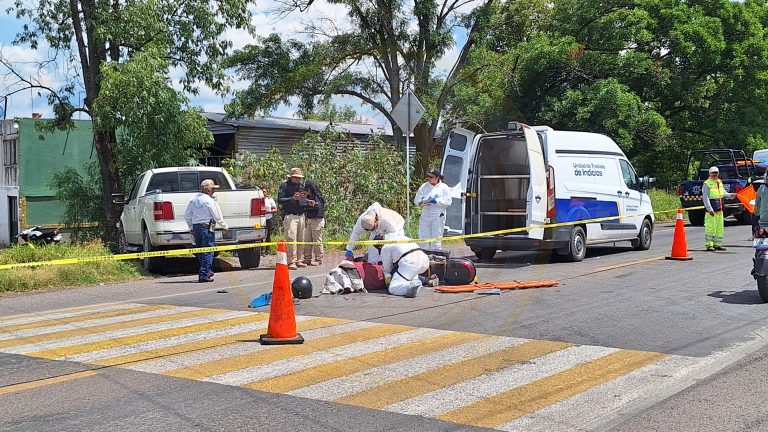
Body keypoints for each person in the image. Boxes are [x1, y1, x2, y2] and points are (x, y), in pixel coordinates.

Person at [184, 179, 228, 282]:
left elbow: (187, 215)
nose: (214, 191)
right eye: (213, 189)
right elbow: (217, 216)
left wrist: (191, 227)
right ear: (208, 190)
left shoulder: (193, 200)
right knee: (208, 251)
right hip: (206, 228)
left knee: (200, 251)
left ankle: (207, 271)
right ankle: (204, 274)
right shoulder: (209, 201)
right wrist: (225, 226)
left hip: (196, 227)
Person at [376, 233, 430, 298]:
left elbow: (387, 266)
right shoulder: (401, 236)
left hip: (411, 263)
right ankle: (416, 281)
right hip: (424, 261)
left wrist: (388, 275)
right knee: (409, 272)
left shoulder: (385, 246)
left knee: (393, 287)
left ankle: (410, 287)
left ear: (380, 246)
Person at [414, 169, 453, 250]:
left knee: (436, 240)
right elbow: (416, 200)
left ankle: (435, 256)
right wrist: (424, 201)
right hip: (425, 215)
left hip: (437, 216)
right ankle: (424, 255)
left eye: (431, 177)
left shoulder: (444, 187)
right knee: (423, 239)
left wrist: (437, 201)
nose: (429, 178)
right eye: (428, 176)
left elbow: (448, 202)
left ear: (437, 178)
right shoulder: (424, 186)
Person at [278, 167, 308, 270]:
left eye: (299, 178)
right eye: (296, 177)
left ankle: (298, 259)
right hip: (290, 215)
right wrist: (292, 198)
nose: (297, 179)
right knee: (291, 238)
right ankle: (291, 261)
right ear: (291, 177)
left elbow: (303, 200)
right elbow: (280, 200)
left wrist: (307, 202)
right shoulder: (284, 186)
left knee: (301, 238)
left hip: (301, 215)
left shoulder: (301, 186)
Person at [702, 166, 735, 251]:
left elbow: (723, 193)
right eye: (713, 173)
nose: (715, 174)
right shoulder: (706, 184)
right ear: (709, 173)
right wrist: (710, 209)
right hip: (711, 211)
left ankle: (717, 244)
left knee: (719, 228)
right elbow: (705, 198)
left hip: (719, 210)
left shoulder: (719, 182)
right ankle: (709, 245)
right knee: (710, 228)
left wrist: (730, 195)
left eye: (716, 173)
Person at [302, 181, 325, 266]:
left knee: (317, 240)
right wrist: (308, 205)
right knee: (307, 239)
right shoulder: (308, 197)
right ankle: (307, 258)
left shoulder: (317, 196)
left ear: (309, 189)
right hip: (309, 219)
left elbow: (317, 208)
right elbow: (305, 206)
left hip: (317, 220)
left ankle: (318, 259)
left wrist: (308, 207)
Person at [262, 188, 277, 255]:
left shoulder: (270, 199)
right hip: (261, 219)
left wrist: (270, 211)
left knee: (268, 235)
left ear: (267, 192)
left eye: (265, 192)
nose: (264, 193)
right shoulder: (258, 199)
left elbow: (275, 209)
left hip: (269, 218)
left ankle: (267, 250)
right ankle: (261, 250)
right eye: (262, 192)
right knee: (260, 235)